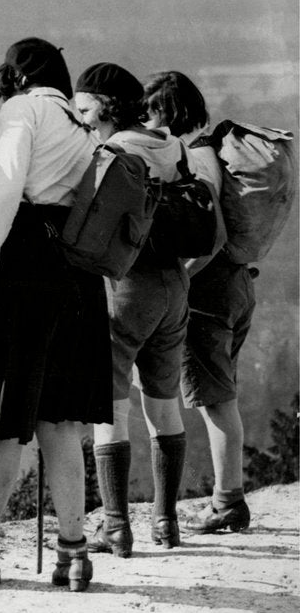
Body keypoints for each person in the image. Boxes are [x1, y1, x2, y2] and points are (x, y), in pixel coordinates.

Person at [0, 38, 112, 592]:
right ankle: (74, 554)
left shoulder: (24, 109)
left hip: (23, 267)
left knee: (2, 421)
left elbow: (2, 190)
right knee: (61, 423)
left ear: (18, 74)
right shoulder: (82, 127)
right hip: (76, 277)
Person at [73, 63, 194, 558]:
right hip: (174, 284)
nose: (80, 117)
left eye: (84, 108)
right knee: (164, 401)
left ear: (105, 106)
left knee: (110, 404)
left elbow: (96, 229)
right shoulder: (172, 146)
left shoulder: (114, 152)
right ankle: (166, 523)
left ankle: (117, 526)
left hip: (124, 285)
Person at [142, 71, 252, 534]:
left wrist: (179, 283)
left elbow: (212, 235)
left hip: (207, 292)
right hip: (234, 283)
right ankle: (229, 498)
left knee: (215, 400)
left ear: (167, 111)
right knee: (219, 395)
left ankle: (228, 501)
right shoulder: (209, 148)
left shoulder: (197, 155)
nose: (145, 120)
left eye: (149, 111)